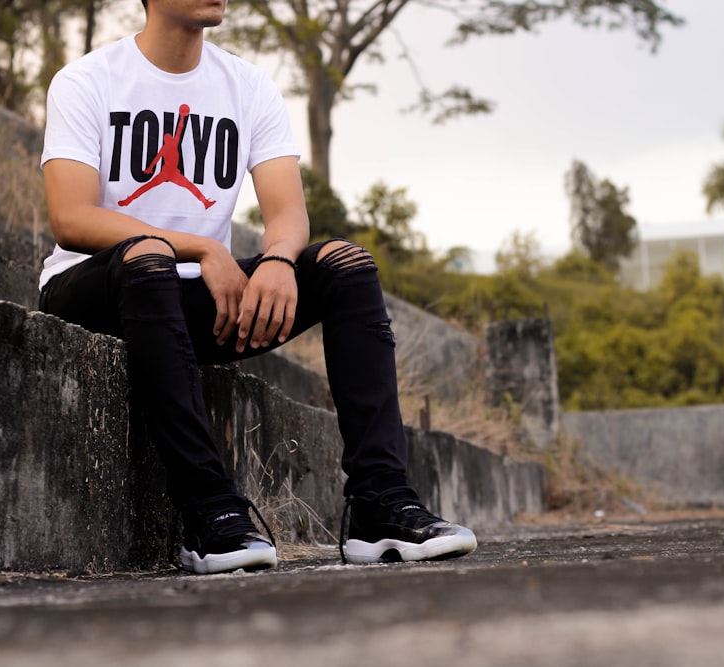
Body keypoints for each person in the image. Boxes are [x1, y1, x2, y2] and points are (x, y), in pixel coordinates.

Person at [38, 0, 476, 574]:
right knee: (148, 259)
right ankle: (212, 513)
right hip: (95, 292)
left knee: (346, 265)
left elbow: (288, 209)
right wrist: (200, 247)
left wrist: (278, 260)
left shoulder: (247, 85)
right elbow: (71, 217)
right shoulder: (87, 80)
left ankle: (381, 503)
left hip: (196, 303)